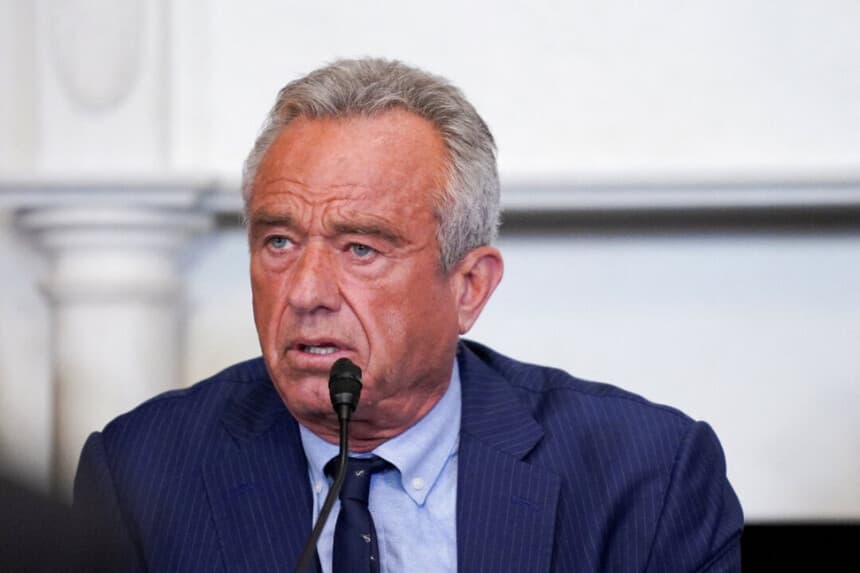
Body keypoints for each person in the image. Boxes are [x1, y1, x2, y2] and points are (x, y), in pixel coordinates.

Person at [74, 58, 743, 572]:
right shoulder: (141, 473)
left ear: (469, 287)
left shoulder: (645, 476)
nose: (305, 291)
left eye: (361, 248)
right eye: (278, 241)